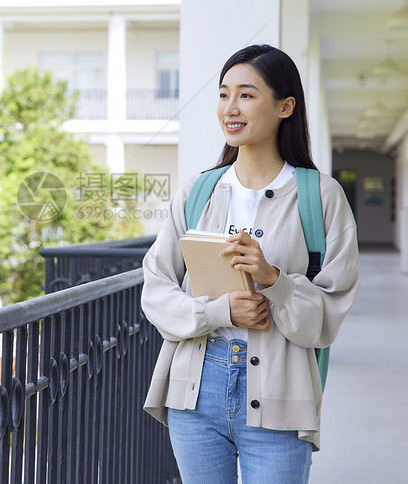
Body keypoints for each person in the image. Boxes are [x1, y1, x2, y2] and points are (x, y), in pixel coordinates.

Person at [141, 44, 360, 484]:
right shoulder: (197, 192)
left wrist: (273, 280)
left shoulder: (321, 196)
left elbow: (327, 317)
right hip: (195, 392)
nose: (230, 108)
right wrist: (219, 311)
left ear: (285, 106)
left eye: (246, 94)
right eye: (223, 95)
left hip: (281, 396)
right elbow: (156, 289)